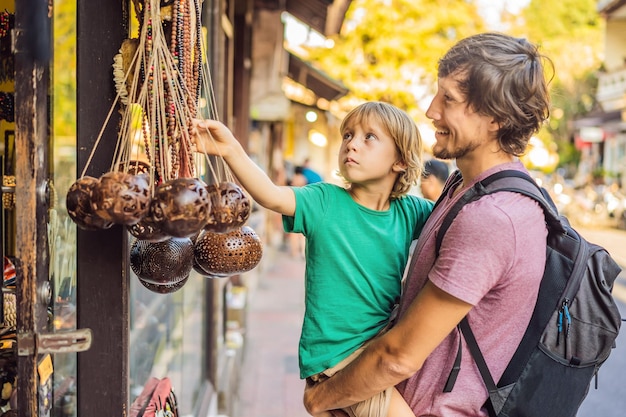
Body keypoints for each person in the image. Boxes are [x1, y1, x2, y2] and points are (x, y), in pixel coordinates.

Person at [303, 32, 551, 416]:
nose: (431, 110)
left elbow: (398, 357)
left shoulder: (493, 216)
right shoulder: (463, 187)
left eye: (448, 99)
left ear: (495, 119)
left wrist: (322, 398)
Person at [193, 101, 434, 417]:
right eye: (348, 135)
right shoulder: (325, 200)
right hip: (339, 356)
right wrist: (230, 150)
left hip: (376, 350)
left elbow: (458, 219)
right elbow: (269, 194)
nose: (352, 144)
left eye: (368, 137)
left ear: (401, 160)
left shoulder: (410, 211)